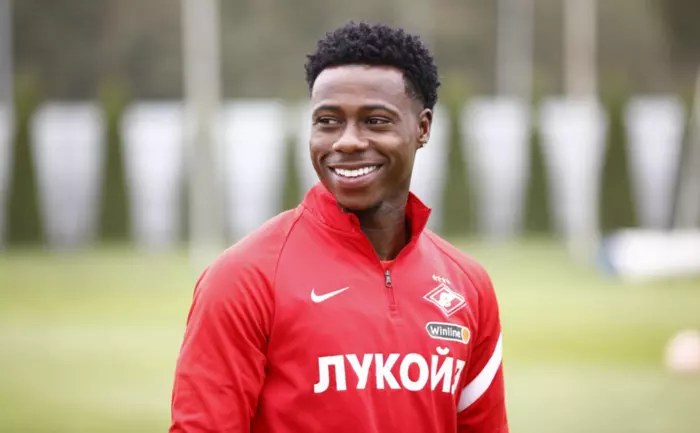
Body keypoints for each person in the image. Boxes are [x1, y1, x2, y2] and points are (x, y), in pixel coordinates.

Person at [169, 21, 508, 433]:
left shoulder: (468, 285)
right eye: (328, 121)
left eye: (375, 121)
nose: (346, 141)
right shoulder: (244, 279)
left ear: (423, 128)